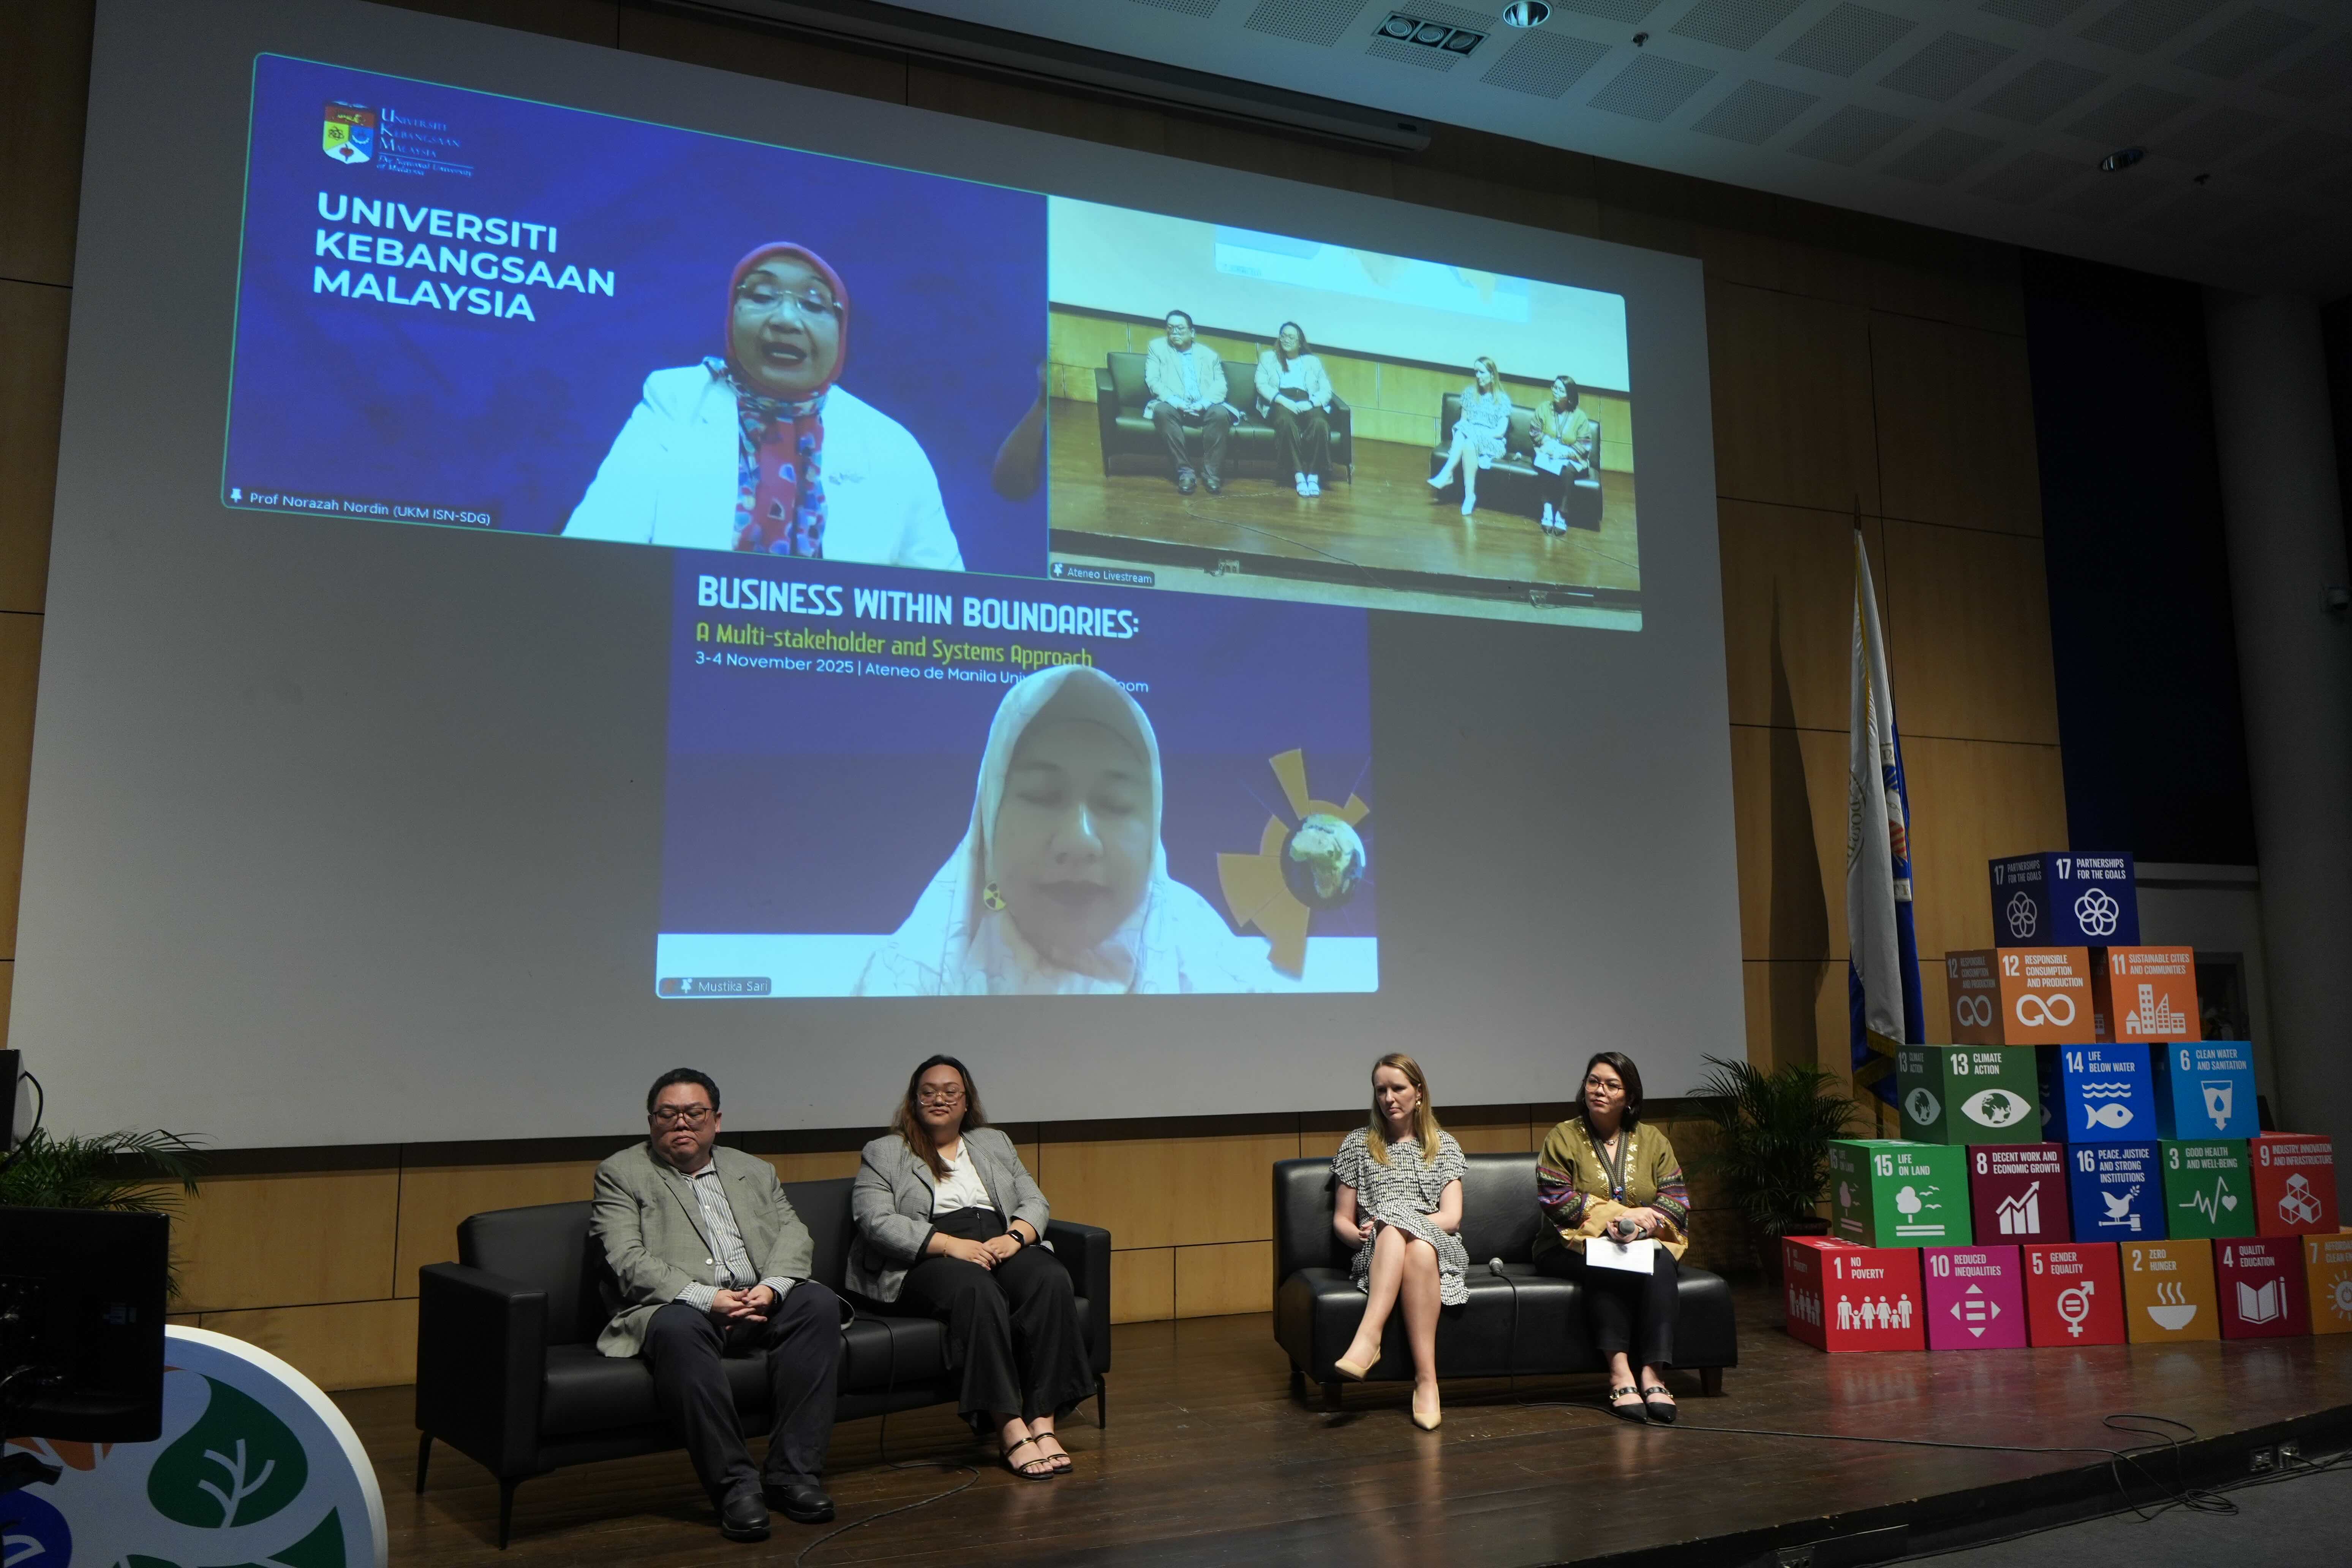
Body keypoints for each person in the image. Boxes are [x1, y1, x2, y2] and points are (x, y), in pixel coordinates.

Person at [853, 663, 1281, 995]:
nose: (1080, 842)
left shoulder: (1225, 979)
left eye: (1115, 804)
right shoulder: (905, 981)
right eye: (1041, 796)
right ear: (989, 821)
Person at [564, 242, 964, 567]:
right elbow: (591, 558)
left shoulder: (892, 446)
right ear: (732, 314)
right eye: (761, 296)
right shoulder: (676, 402)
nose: (787, 319)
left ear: (841, 329)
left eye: (813, 304)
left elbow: (947, 608)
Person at [590, 1069, 842, 1541]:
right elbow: (625, 1258)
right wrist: (709, 1298)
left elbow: (793, 1234)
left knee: (818, 1304)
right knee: (677, 1329)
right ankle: (735, 1489)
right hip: (682, 1307)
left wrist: (771, 1289)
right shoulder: (622, 1173)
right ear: (652, 1121)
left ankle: (794, 1476)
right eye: (668, 1114)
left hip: (759, 1298)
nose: (681, 1123)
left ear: (716, 1121)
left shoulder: (755, 1170)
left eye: (694, 1113)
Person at [848, 1056, 1091, 1479]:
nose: (939, 1098)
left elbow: (1035, 1202)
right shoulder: (885, 1151)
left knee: (1050, 1278)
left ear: (966, 1102)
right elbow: (875, 1221)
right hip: (930, 1253)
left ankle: (1043, 1422)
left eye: (950, 1091)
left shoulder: (994, 1142)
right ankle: (1008, 1425)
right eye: (928, 1091)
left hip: (999, 1240)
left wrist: (1016, 1237)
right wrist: (950, 1246)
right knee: (977, 1290)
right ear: (914, 1100)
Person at [1534, 1051, 1691, 1424]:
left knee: (1659, 1260)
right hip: (1564, 1246)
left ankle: (1653, 1375)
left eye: (1611, 1085)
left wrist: (1644, 1226)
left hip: (1639, 1243)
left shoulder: (1654, 1141)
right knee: (1608, 1259)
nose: (1599, 1090)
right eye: (1593, 1081)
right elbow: (1556, 1197)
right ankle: (1620, 1372)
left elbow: (1677, 1200)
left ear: (1630, 1097)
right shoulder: (1563, 1136)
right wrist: (1621, 1218)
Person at [1328, 1053, 1467, 1430]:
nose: (1389, 1098)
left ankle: (1369, 1340)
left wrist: (1402, 1220)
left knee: (1415, 1239)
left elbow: (1452, 1218)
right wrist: (1354, 1233)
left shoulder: (1444, 1145)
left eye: (1398, 1088)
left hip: (1439, 1243)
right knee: (1397, 1236)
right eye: (1381, 1090)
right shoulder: (1359, 1144)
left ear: (1418, 1093)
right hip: (1377, 1247)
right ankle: (1427, 1383)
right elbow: (1342, 1220)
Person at [1143, 310, 1236, 496]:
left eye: (1179, 328)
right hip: (1175, 405)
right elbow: (1153, 380)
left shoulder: (1210, 356)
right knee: (1162, 411)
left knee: (1220, 414)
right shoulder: (1157, 348)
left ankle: (1212, 475)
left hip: (1203, 406)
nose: (1174, 332)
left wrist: (1203, 404)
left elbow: (1221, 385)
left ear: (1192, 333)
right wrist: (1177, 402)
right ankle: (1185, 472)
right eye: (1170, 328)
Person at [1254, 322, 1335, 498]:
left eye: (1291, 337)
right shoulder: (1268, 358)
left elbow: (1326, 390)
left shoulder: (1312, 361)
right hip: (1280, 400)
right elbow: (1261, 385)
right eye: (1283, 335)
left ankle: (1313, 475)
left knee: (1320, 423)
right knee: (1286, 422)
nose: (1286, 340)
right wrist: (1283, 400)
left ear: (1300, 343)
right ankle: (1298, 475)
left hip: (1307, 401)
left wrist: (1312, 403)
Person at [1427, 357, 1513, 518]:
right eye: (1476, 372)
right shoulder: (1469, 394)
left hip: (1493, 442)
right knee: (1466, 440)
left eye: (1482, 372)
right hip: (1469, 437)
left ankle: (1447, 473)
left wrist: (1478, 434)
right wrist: (1473, 433)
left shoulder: (1502, 400)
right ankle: (1469, 496)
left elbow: (1500, 432)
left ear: (1492, 375)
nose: (1478, 376)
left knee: (1468, 435)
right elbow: (1463, 422)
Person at [1531, 374, 1598, 536]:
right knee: (1545, 465)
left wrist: (1563, 452)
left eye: (1560, 390)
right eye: (1554, 387)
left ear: (1569, 395)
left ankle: (1562, 513)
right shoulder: (1544, 408)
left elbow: (1584, 445)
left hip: (1573, 458)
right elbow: (1534, 431)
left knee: (1567, 470)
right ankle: (1547, 509)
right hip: (1549, 453)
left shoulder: (1579, 416)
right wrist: (1547, 443)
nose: (1555, 391)